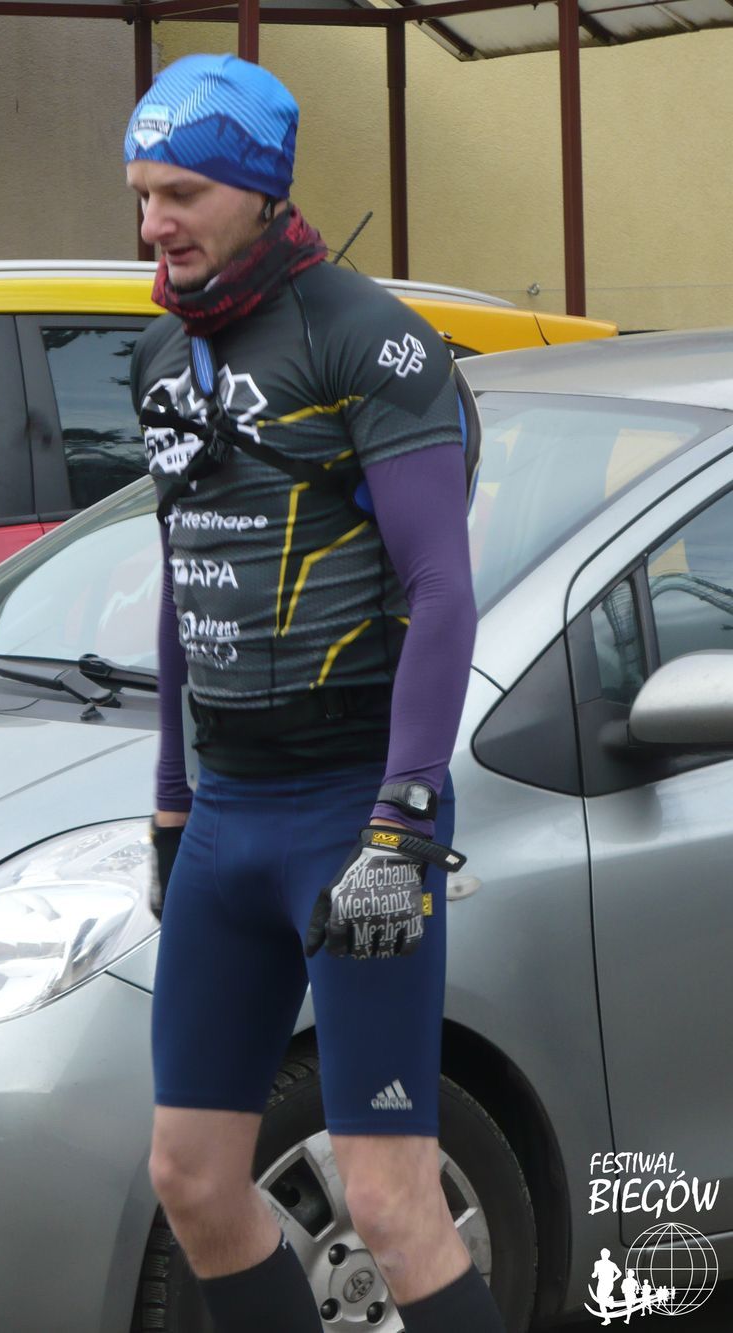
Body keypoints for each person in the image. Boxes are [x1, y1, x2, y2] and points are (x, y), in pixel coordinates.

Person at [125, 52, 501, 1333]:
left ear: (256, 189)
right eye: (142, 195)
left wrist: (403, 819)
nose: (154, 223)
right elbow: (183, 576)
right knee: (190, 1178)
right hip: (228, 813)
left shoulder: (365, 337)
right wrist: (170, 803)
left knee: (390, 1198)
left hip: (354, 812)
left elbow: (441, 588)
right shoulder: (164, 355)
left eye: (181, 193)